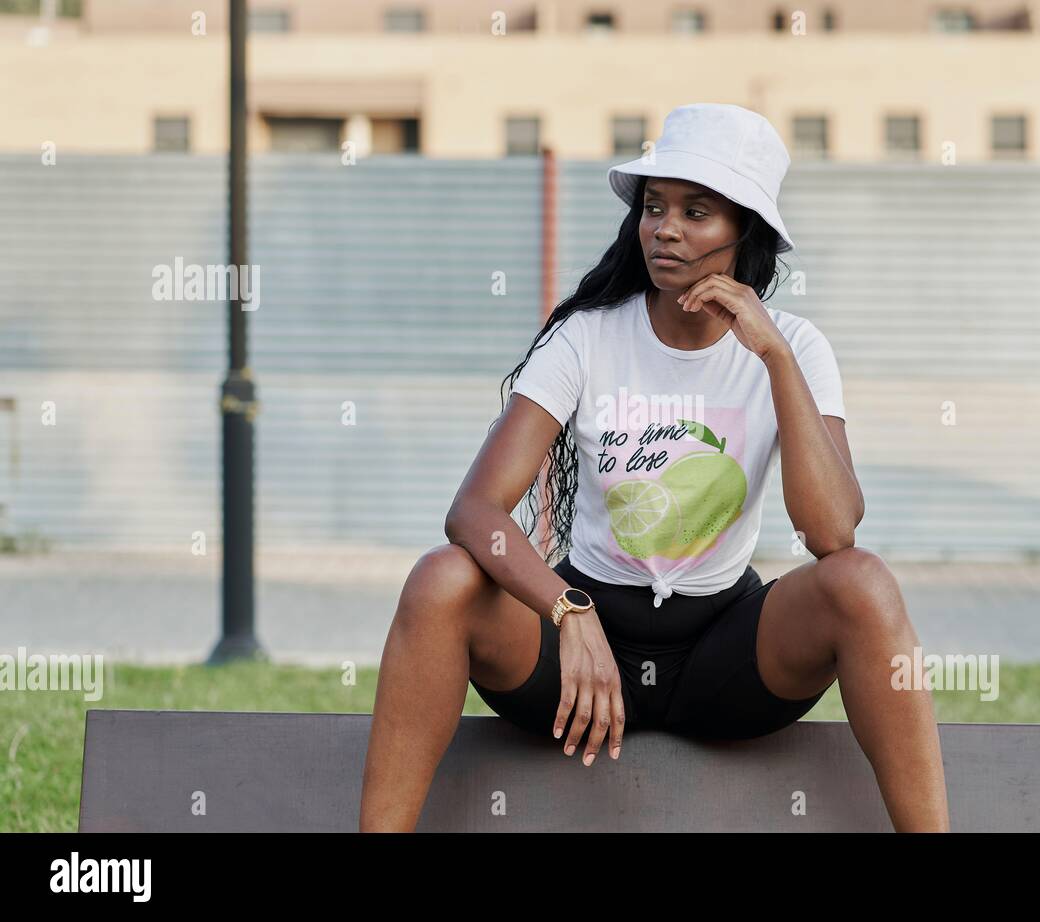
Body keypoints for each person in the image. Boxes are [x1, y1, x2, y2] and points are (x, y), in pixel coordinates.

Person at [360, 103, 950, 832]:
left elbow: (832, 534)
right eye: (654, 206)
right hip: (578, 652)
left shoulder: (795, 348)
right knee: (440, 577)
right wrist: (568, 613)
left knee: (864, 585)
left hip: (725, 659)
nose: (664, 228)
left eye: (696, 211)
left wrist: (775, 360)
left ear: (745, 233)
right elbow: (474, 512)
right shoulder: (587, 339)